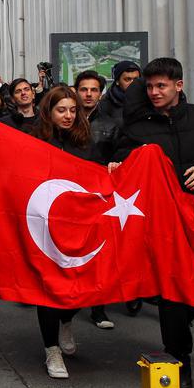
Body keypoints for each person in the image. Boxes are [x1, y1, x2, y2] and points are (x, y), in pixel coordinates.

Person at [114, 58, 194, 388]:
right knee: (174, 294)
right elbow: (120, 158)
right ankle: (178, 360)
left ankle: (178, 321)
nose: (155, 92)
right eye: (150, 87)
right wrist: (117, 163)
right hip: (162, 227)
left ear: (179, 86)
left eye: (161, 86)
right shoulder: (137, 126)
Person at [0, 86, 101, 379]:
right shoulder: (32, 138)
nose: (68, 116)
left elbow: (98, 174)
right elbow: (5, 158)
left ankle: (66, 320)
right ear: (48, 111)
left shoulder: (85, 141)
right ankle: (52, 349)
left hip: (78, 224)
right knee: (47, 288)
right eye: (61, 110)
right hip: (42, 226)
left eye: (73, 110)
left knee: (79, 285)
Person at [74, 70, 121, 331]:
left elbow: (121, 153)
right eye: (84, 89)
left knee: (100, 251)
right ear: (76, 91)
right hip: (71, 194)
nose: (89, 94)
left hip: (101, 197)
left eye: (94, 90)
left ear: (101, 93)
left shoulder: (112, 125)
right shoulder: (65, 119)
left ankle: (98, 308)